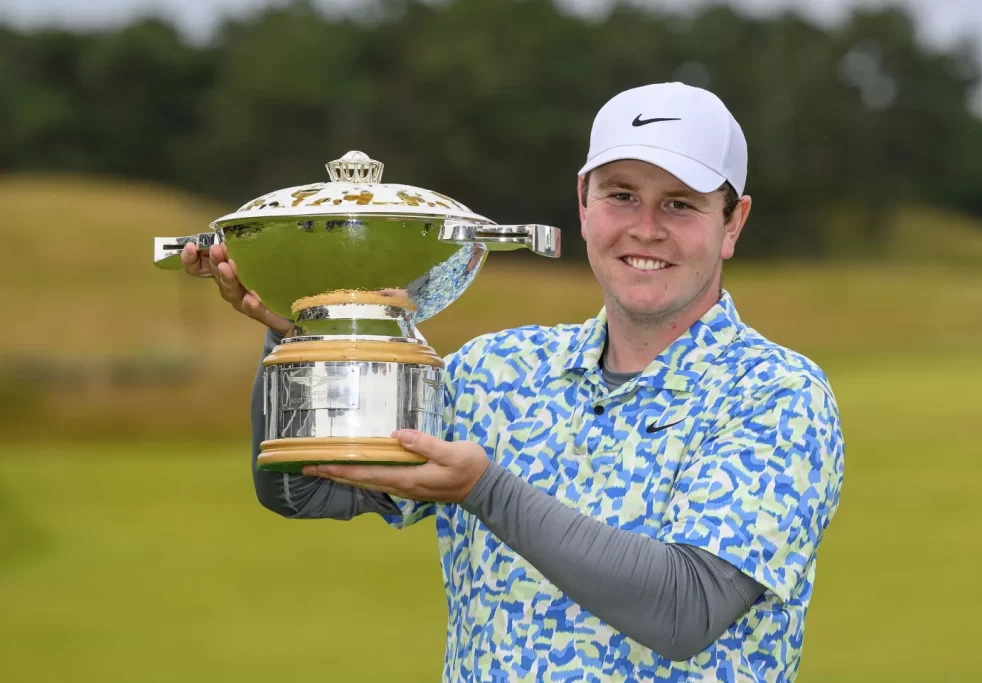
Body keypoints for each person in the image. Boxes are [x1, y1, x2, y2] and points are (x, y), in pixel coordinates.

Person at [183, 82, 844, 682]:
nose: (646, 227)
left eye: (680, 203)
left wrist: (484, 489)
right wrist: (311, 337)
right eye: (621, 195)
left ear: (734, 223)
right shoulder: (494, 372)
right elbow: (301, 491)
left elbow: (686, 608)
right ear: (583, 202)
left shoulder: (779, 394)